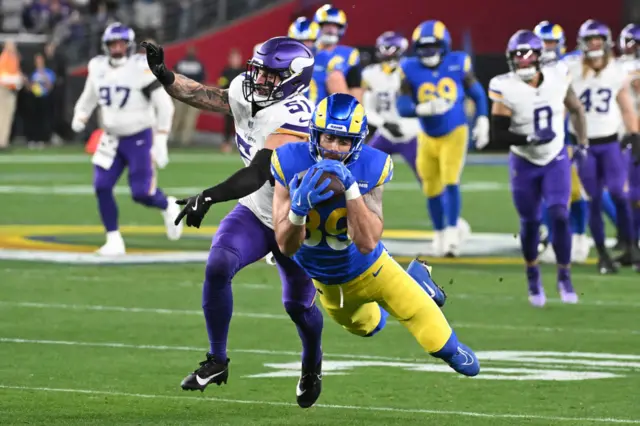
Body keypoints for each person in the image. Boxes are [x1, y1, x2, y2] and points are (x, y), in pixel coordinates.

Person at [142, 36, 326, 408]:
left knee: (298, 306)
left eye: (270, 76)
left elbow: (259, 172)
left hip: (295, 218)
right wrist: (165, 75)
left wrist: (207, 196)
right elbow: (208, 96)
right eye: (258, 71)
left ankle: (311, 364)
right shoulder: (250, 89)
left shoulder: (295, 115)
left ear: (292, 79)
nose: (258, 80)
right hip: (258, 211)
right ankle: (217, 360)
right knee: (219, 263)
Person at [270, 94, 478, 391]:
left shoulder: (372, 165)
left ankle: (417, 290)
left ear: (357, 142)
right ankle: (417, 282)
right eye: (329, 137)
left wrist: (351, 191)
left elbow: (367, 242)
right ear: (315, 134)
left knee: (445, 347)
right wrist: (299, 209)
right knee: (368, 326)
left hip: (374, 268)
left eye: (344, 141)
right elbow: (286, 246)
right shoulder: (288, 160)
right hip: (328, 283)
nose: (334, 149)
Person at [489, 30, 587, 306]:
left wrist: (583, 142)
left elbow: (576, 107)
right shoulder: (504, 85)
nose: (522, 61)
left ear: (539, 57)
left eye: (527, 55)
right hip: (524, 159)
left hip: (555, 157)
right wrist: (529, 138)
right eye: (517, 56)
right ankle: (533, 274)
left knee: (559, 214)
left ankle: (564, 276)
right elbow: (499, 133)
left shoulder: (558, 76)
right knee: (530, 222)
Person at [71, 22, 179, 256]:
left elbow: (165, 106)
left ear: (129, 45)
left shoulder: (141, 67)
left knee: (142, 193)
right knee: (101, 186)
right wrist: (81, 113)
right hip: (110, 138)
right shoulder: (98, 66)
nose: (117, 48)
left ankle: (168, 204)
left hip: (139, 137)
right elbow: (89, 96)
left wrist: (161, 137)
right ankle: (113, 239)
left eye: (120, 44)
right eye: (112, 44)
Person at [397, 20, 489, 257]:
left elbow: (477, 95)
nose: (428, 53)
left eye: (433, 47)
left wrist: (482, 119)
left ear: (444, 46)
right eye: (423, 48)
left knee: (450, 179)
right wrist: (422, 109)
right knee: (430, 186)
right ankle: (438, 232)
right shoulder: (409, 67)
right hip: (427, 135)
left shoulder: (458, 63)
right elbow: (402, 105)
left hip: (455, 131)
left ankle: (451, 231)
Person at [566, 19, 640, 273]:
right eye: (591, 40)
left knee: (620, 194)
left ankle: (632, 247)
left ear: (606, 43)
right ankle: (603, 254)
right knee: (594, 199)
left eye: (598, 40)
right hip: (584, 145)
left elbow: (625, 104)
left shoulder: (616, 70)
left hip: (610, 143)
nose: (595, 45)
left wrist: (634, 133)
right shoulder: (571, 69)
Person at [533, 21, 590, 263]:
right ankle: (559, 238)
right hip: (538, 141)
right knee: (548, 193)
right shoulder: (527, 69)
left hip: (568, 138)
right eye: (543, 43)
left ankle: (578, 237)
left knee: (573, 193)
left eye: (551, 43)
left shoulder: (569, 66)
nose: (547, 48)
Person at [309, 4, 361, 104]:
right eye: (326, 25)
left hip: (334, 106)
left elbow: (355, 88)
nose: (330, 29)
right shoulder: (308, 50)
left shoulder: (350, 53)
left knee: (336, 77)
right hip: (308, 102)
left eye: (334, 26)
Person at [171, 45, 206, 146]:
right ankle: (175, 138)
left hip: (193, 93)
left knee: (189, 118)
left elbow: (202, 79)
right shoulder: (183, 63)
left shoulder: (196, 64)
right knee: (178, 116)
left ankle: (184, 140)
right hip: (181, 93)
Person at [26, 53, 56, 148]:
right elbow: (29, 87)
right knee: (34, 120)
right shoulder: (33, 73)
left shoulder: (48, 72)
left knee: (44, 119)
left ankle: (44, 139)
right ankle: (34, 139)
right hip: (35, 98)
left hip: (45, 98)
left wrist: (44, 78)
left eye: (40, 60)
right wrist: (32, 86)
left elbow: (50, 86)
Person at [217, 48, 244, 153]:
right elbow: (222, 84)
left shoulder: (243, 71)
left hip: (242, 103)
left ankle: (244, 144)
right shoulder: (226, 71)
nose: (235, 60)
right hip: (229, 101)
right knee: (228, 124)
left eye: (237, 58)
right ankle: (226, 144)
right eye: (233, 58)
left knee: (243, 124)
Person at [0, 41, 23, 151]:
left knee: (7, 117)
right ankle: (2, 142)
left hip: (11, 90)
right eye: (12, 45)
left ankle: (4, 141)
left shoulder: (13, 58)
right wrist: (18, 80)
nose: (14, 47)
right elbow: (3, 78)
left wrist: (18, 81)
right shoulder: (5, 58)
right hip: (4, 90)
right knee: (3, 117)